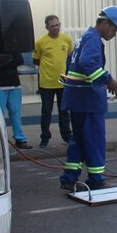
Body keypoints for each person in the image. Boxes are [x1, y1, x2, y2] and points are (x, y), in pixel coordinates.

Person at [59, 6, 117, 191]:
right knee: (94, 139)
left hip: (76, 98)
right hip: (88, 99)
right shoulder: (93, 39)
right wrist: (108, 80)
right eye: (114, 30)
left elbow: (71, 62)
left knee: (78, 139)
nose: (113, 34)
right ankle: (96, 179)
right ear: (105, 23)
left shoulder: (84, 37)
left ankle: (69, 178)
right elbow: (87, 62)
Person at [32, 15, 73, 148]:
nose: (55, 28)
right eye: (52, 26)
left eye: (57, 25)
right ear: (47, 28)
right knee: (46, 111)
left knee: (64, 111)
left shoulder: (66, 39)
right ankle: (45, 138)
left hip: (63, 82)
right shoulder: (40, 42)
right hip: (47, 83)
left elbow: (70, 57)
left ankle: (67, 136)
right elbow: (36, 60)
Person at [0, 24, 32, 150]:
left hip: (14, 84)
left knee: (15, 112)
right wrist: (8, 61)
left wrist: (2, 62)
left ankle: (20, 139)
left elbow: (19, 60)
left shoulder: (12, 44)